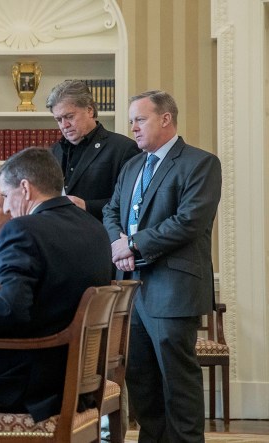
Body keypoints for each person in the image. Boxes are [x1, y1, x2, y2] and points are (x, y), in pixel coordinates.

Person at [103, 91, 221, 442]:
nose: (133, 128)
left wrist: (134, 244)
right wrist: (117, 244)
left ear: (166, 118)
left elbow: (189, 222)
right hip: (131, 289)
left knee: (177, 382)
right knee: (142, 380)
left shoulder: (200, 163)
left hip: (173, 288)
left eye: (140, 119)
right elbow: (111, 211)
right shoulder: (132, 166)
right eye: (131, 121)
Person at [0, 147, 112, 422]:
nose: (6, 207)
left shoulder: (21, 230)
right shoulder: (96, 230)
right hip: (77, 380)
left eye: (6, 196)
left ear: (25, 188)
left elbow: (10, 311)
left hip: (26, 386)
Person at [47, 80, 140, 222]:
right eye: (58, 119)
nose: (64, 125)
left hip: (101, 236)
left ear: (90, 110)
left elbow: (133, 202)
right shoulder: (54, 151)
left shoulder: (123, 148)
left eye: (69, 117)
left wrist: (87, 206)